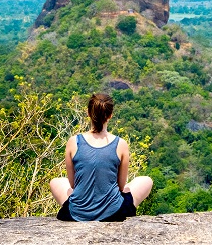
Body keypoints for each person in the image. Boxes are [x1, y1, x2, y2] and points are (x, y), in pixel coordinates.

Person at [50, 93, 153, 222]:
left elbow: (72, 184)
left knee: (56, 182)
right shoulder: (120, 144)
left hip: (76, 214)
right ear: (110, 115)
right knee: (146, 180)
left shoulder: (73, 141)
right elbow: (121, 186)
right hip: (113, 213)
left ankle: (84, 208)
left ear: (88, 113)